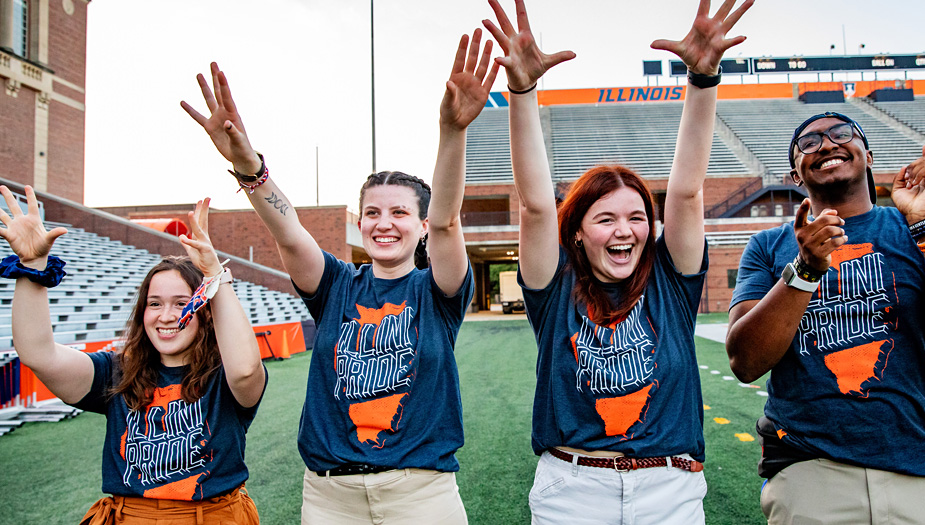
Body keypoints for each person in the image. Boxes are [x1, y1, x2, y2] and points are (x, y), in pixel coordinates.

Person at [181, 29, 498, 524]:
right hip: (331, 497)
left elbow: (448, 220)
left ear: (419, 227)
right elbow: (288, 233)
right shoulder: (336, 285)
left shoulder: (435, 290)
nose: (384, 223)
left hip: (421, 494)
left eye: (399, 213)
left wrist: (451, 131)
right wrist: (247, 164)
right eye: (373, 212)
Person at [483, 0, 753, 522]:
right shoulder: (554, 286)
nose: (624, 230)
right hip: (573, 490)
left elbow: (688, 192)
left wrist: (702, 80)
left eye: (636, 216)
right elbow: (537, 204)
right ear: (578, 235)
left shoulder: (671, 282)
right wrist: (521, 92)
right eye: (605, 219)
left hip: (669, 489)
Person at [727, 111, 925, 524]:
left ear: (868, 156)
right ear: (795, 176)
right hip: (810, 473)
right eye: (809, 142)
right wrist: (804, 272)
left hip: (920, 468)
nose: (827, 144)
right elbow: (745, 362)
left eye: (840, 134)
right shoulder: (768, 245)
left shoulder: (924, 229)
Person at [0, 188, 266, 524]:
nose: (166, 316)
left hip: (212, 516)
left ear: (205, 311)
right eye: (154, 304)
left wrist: (215, 275)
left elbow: (245, 371)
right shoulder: (116, 371)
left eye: (181, 303)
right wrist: (31, 267)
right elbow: (39, 354)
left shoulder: (225, 375)